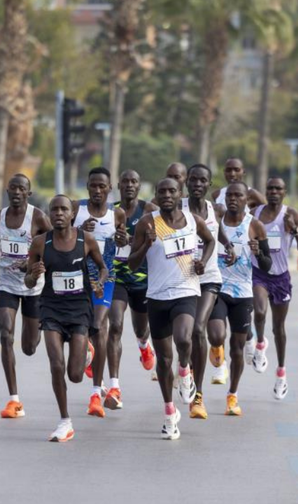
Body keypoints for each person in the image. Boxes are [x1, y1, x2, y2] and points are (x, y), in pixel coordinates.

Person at [128, 178, 216, 440]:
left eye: (171, 191)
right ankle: (169, 414)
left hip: (186, 291)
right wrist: (145, 244)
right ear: (156, 194)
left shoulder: (193, 220)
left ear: (181, 194)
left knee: (184, 338)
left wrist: (203, 262)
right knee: (164, 360)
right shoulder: (147, 223)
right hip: (157, 297)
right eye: (162, 191)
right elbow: (132, 264)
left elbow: (210, 241)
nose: (167, 195)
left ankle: (186, 371)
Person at [25, 195, 108, 442]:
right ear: (49, 214)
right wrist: (34, 273)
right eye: (54, 210)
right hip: (51, 308)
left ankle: (87, 353)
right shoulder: (41, 243)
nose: (59, 213)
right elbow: (28, 281)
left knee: (75, 375)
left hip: (79, 309)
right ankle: (64, 421)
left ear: (72, 214)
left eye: (64, 209)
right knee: (56, 364)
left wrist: (100, 283)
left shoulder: (86, 240)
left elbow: (103, 267)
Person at [0, 174, 52, 419]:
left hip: (33, 286)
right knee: (5, 333)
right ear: (7, 190)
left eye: (22, 189)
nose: (16, 192)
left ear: (28, 194)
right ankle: (14, 400)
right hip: (6, 284)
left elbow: (54, 245)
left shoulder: (39, 218)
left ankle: (39, 329)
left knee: (30, 348)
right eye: (13, 188)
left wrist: (34, 263)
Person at [210, 182, 271, 416]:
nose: (233, 199)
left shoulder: (255, 226)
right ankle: (216, 352)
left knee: (237, 347)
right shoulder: (217, 221)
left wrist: (259, 253)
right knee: (216, 335)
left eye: (239, 196)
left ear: (247, 199)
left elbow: (267, 265)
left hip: (243, 293)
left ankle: (232, 396)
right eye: (230, 195)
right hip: (217, 287)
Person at [72, 167, 128, 418]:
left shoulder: (117, 214)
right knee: (85, 329)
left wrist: (121, 239)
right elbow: (62, 236)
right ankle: (93, 361)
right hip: (78, 278)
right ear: (87, 186)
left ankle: (97, 393)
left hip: (106, 277)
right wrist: (79, 230)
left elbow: (122, 243)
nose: (97, 190)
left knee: (99, 323)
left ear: (109, 189)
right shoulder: (76, 209)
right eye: (93, 185)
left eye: (102, 186)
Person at [181, 163, 235, 419]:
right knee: (184, 336)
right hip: (181, 279)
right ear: (186, 182)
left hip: (209, 278)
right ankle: (186, 370)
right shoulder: (177, 208)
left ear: (209, 184)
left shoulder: (215, 209)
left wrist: (229, 246)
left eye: (203, 180)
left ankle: (198, 395)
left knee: (197, 329)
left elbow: (216, 233)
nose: (198, 184)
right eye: (193, 180)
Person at [251, 177, 298, 400]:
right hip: (259, 273)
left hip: (282, 277)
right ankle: (259, 343)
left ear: (284, 192)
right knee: (259, 312)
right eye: (270, 188)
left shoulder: (290, 214)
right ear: (266, 191)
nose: (274, 191)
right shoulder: (255, 213)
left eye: (278, 188)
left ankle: (281, 373)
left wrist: (294, 230)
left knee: (279, 329)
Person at [107, 170, 159, 409]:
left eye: (134, 182)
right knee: (115, 325)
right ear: (118, 185)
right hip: (117, 277)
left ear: (139, 186)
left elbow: (156, 239)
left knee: (141, 329)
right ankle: (115, 386)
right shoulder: (110, 211)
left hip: (142, 278)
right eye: (125, 181)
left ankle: (143, 346)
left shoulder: (149, 211)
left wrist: (130, 241)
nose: (129, 185)